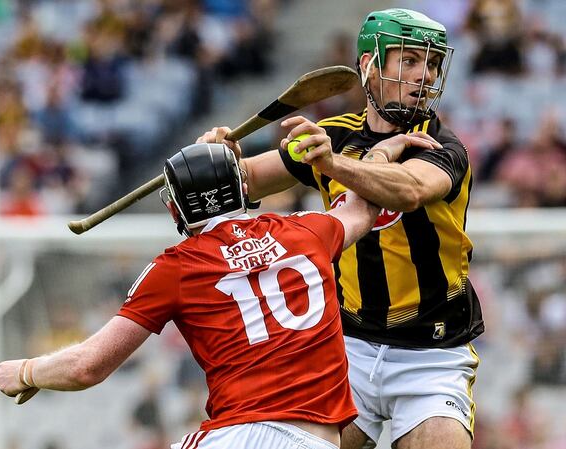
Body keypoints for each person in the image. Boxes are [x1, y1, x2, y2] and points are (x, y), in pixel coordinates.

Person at [197, 8, 483, 449]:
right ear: (369, 66)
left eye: (430, 64)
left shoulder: (441, 145)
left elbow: (407, 191)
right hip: (347, 349)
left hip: (432, 353)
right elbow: (243, 180)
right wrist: (217, 155)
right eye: (408, 60)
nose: (424, 75)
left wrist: (331, 164)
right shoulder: (336, 134)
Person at [0, 142, 381, 448]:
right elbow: (362, 208)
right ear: (243, 188)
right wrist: (383, 151)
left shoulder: (176, 267)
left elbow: (87, 367)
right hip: (321, 441)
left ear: (177, 209)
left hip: (242, 435)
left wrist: (26, 372)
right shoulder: (309, 231)